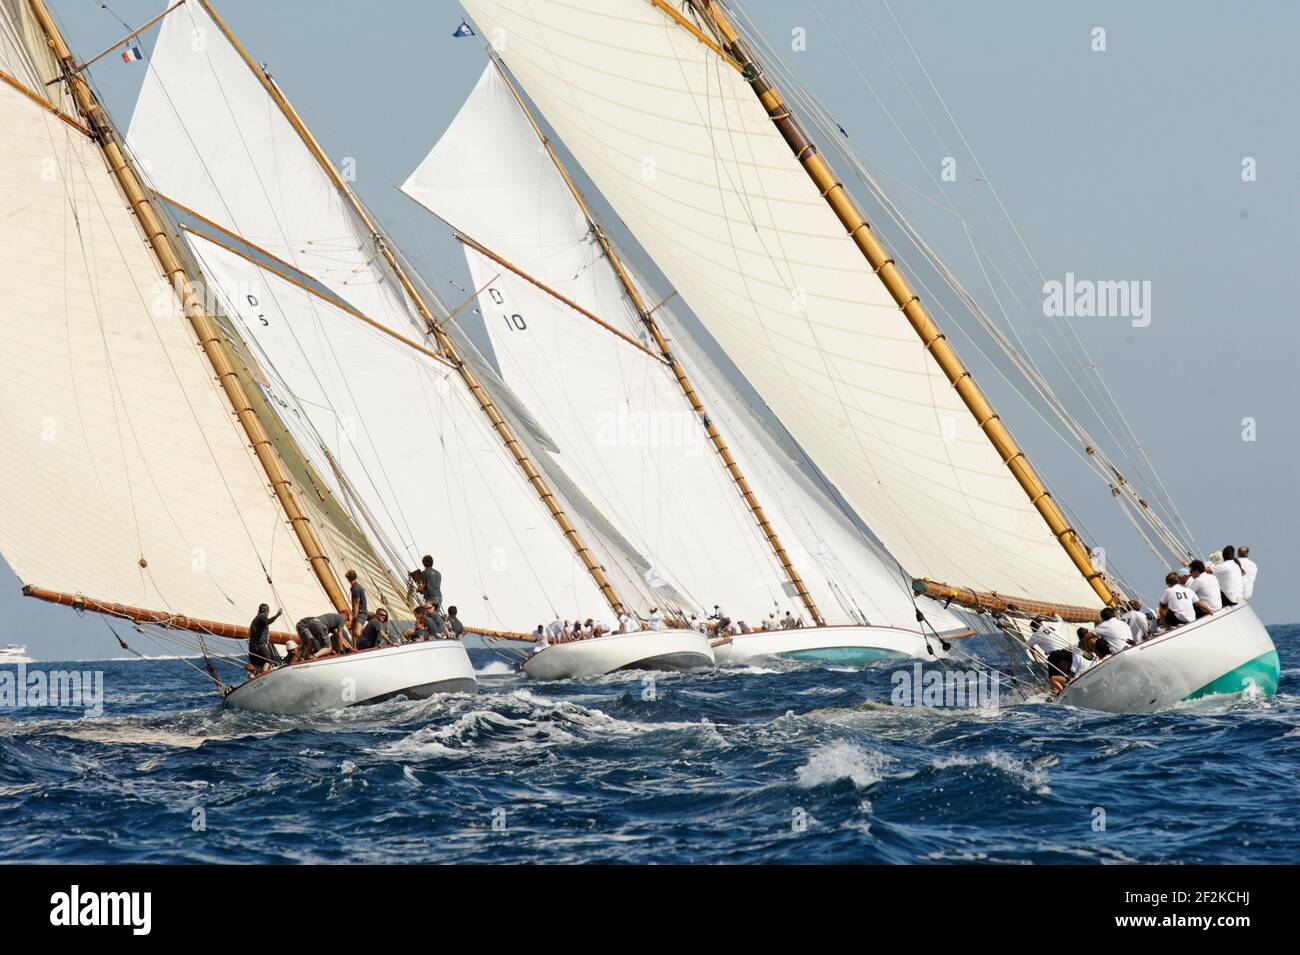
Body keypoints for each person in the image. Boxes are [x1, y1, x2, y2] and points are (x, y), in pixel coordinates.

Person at [248, 603, 282, 674]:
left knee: (256, 664)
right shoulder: (262, 616)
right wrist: (277, 615)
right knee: (269, 660)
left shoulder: (255, 620)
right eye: (268, 612)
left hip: (252, 647)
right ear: (266, 611)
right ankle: (264, 675)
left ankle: (254, 676)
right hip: (259, 645)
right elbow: (268, 621)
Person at [345, 570, 367, 639]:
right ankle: (356, 647)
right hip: (361, 612)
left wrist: (354, 617)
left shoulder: (355, 589)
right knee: (354, 633)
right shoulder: (356, 587)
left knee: (356, 633)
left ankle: (366, 643)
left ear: (348, 578)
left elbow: (356, 604)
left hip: (361, 613)